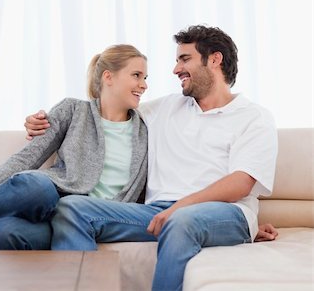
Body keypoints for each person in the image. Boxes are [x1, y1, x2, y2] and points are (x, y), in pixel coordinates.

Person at [24, 25, 279, 290]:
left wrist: (183, 207)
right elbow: (105, 109)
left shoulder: (254, 117)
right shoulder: (165, 108)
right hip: (157, 213)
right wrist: (46, 122)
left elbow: (240, 183)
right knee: (71, 208)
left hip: (225, 212)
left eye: (185, 59)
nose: (176, 69)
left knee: (181, 221)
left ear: (214, 59)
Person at [0, 44, 149, 250]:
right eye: (136, 75)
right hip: (50, 211)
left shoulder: (148, 127)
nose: (144, 85)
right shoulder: (73, 110)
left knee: (7, 228)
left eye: (145, 78)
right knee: (30, 195)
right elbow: (28, 156)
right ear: (108, 77)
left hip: (98, 219)